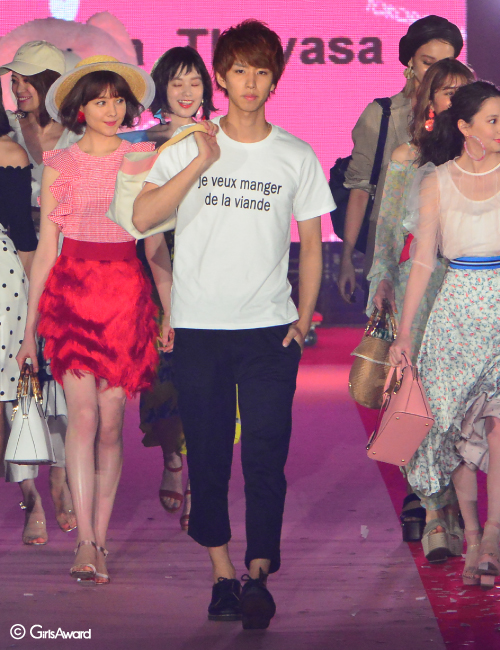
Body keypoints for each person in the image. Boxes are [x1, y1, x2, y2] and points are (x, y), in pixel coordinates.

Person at [133, 19, 335, 629]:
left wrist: (302, 320)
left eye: (262, 71)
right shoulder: (187, 145)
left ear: (275, 78)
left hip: (270, 331)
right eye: (239, 70)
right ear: (220, 76)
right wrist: (200, 160)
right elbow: (142, 217)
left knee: (267, 454)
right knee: (210, 455)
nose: (250, 82)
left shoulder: (296, 154)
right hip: (200, 328)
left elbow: (311, 243)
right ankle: (222, 575)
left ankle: (258, 574)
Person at [16, 55, 172, 585]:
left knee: (111, 422)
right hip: (72, 296)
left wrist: (169, 306)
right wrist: (29, 331)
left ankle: (100, 538)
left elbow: (154, 243)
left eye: (118, 99)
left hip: (126, 297)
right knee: (82, 417)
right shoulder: (61, 163)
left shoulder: (143, 157)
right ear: (80, 109)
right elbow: (46, 248)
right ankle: (85, 542)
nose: (111, 109)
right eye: (100, 100)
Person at [390, 81, 500, 588]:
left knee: (498, 422)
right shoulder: (436, 180)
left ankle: (492, 537)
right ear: (465, 127)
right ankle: (471, 536)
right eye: (493, 120)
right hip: (455, 310)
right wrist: (404, 334)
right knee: (454, 428)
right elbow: (422, 262)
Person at [368, 59, 475, 559]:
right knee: (421, 399)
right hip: (423, 289)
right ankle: (434, 511)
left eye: (462, 91)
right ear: (429, 100)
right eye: (444, 91)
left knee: (465, 404)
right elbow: (389, 229)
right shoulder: (407, 157)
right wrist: (383, 281)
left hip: (475, 288)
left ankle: (457, 508)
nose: (453, 99)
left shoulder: (486, 156)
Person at [0, 40, 80, 544]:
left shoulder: (78, 136)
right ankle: (31, 495)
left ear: (53, 83)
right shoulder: (7, 134)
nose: (19, 87)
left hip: (69, 268)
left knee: (64, 382)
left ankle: (62, 477)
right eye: (14, 79)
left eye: (29, 78)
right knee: (19, 381)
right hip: (15, 267)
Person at [134, 46, 216, 530]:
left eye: (195, 82)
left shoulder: (220, 137)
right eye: (177, 82)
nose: (186, 92)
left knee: (212, 390)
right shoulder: (145, 145)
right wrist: (168, 306)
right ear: (161, 88)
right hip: (159, 275)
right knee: (165, 381)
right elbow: (149, 234)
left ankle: (202, 482)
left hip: (215, 275)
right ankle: (172, 458)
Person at [338, 15, 464, 304]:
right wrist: (347, 258)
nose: (437, 73)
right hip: (392, 247)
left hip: (452, 251)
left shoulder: (467, 118)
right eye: (428, 63)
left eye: (446, 63)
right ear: (410, 62)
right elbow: (360, 189)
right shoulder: (382, 114)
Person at [0, 80, 37, 482]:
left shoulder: (9, 153)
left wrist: (33, 305)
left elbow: (24, 234)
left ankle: (29, 491)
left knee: (8, 391)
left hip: (3, 281)